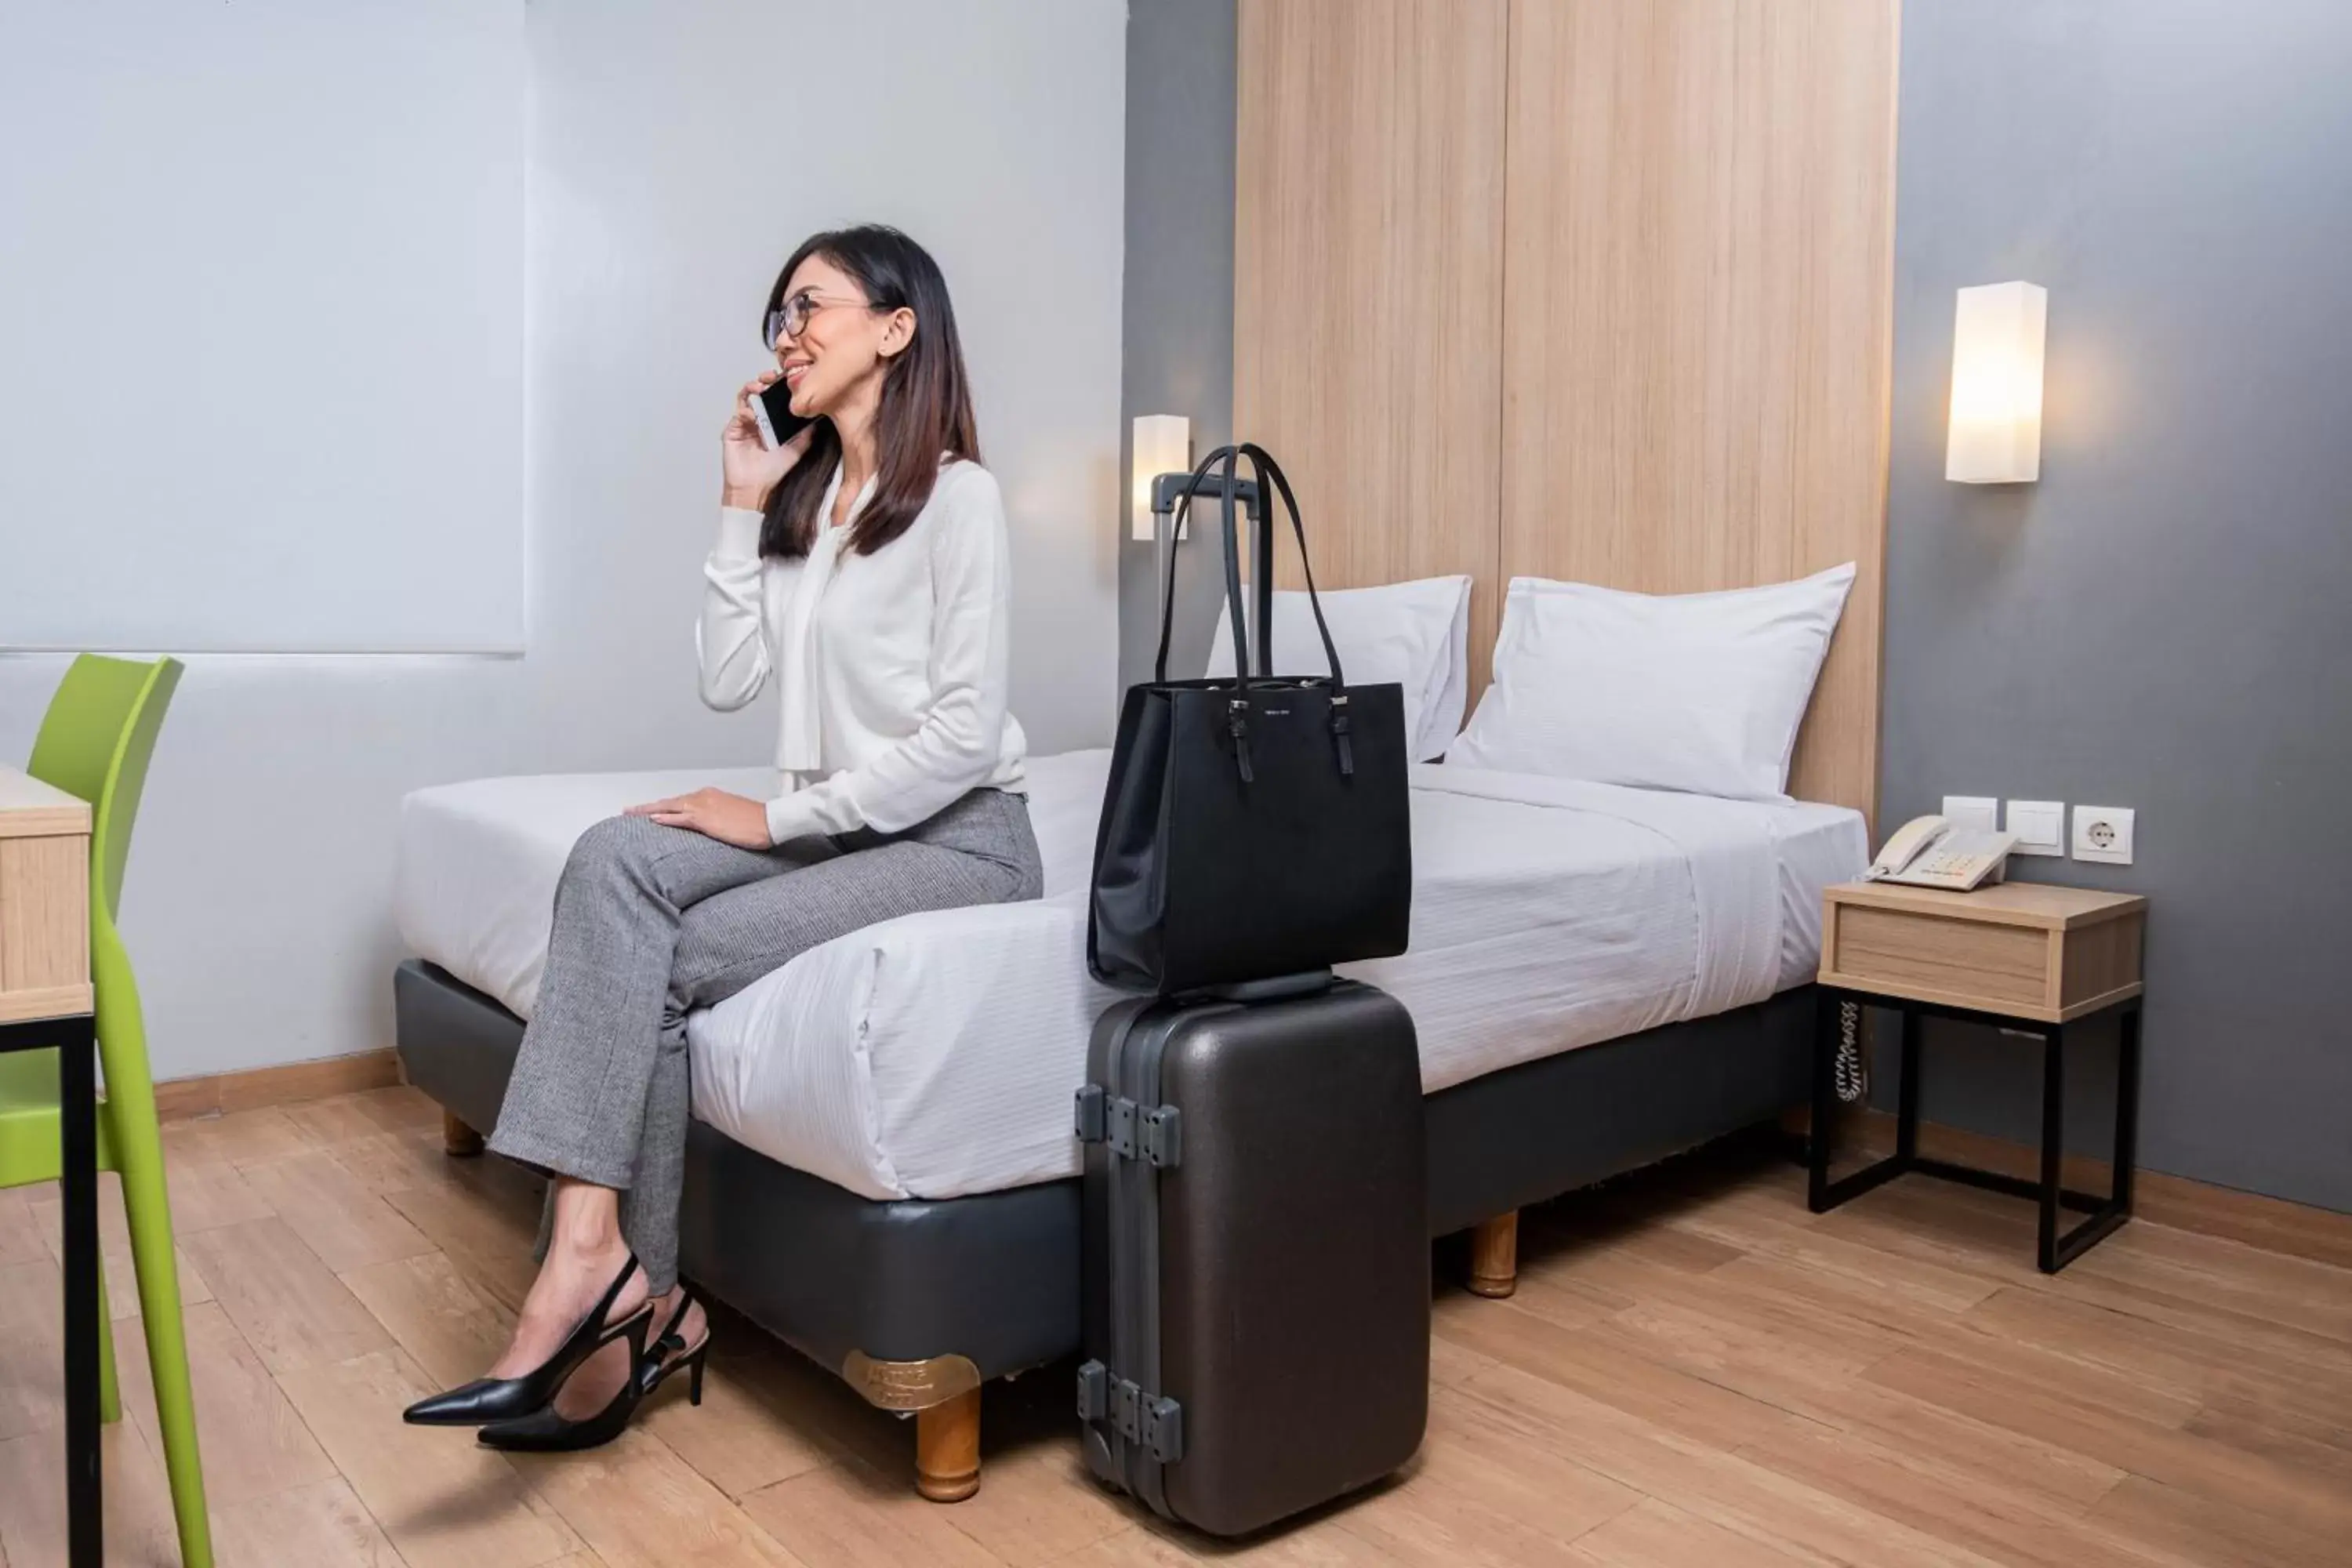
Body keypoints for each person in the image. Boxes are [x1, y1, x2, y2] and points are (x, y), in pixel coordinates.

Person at [404, 225, 1039, 1450]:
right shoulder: (810, 504)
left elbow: (962, 741)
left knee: (660, 962)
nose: (786, 333)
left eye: (811, 306)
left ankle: (607, 1302)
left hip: (964, 842)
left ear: (897, 328)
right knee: (613, 857)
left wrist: (780, 819)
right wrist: (742, 509)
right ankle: (609, 1268)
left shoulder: (961, 500)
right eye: (779, 316)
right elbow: (728, 679)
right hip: (851, 834)